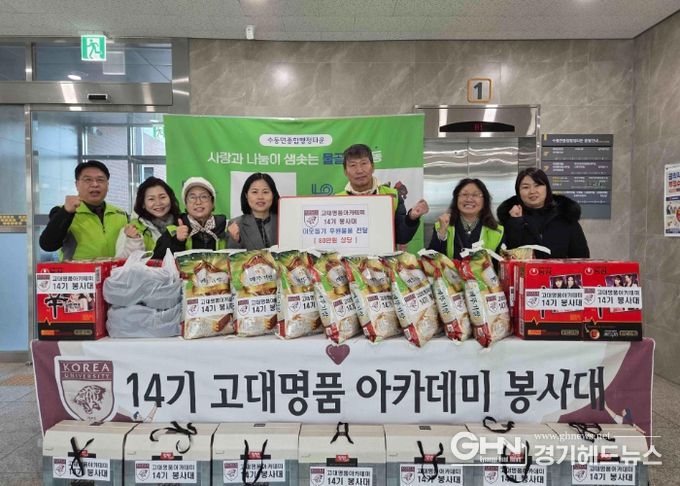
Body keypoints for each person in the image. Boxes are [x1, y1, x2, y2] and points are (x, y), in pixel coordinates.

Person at [337, 144, 429, 245]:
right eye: (353, 165)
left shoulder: (392, 196)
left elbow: (401, 238)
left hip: (383, 256)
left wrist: (411, 218)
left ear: (373, 167)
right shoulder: (336, 201)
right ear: (345, 171)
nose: (359, 170)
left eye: (363, 163)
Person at [39, 160, 128, 261]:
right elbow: (48, 245)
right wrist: (66, 212)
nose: (95, 184)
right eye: (88, 180)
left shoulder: (121, 214)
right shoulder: (62, 211)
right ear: (77, 184)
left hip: (116, 270)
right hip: (79, 270)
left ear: (107, 185)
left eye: (100, 180)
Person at [497, 167, 589, 259]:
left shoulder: (565, 214)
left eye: (537, 185)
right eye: (525, 187)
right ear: (518, 192)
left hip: (560, 269)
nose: (532, 191)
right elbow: (504, 257)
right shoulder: (509, 218)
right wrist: (515, 223)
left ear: (547, 188)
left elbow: (581, 258)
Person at [427, 178, 504, 260]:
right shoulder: (442, 225)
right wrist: (442, 233)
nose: (469, 199)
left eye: (475, 195)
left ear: (485, 200)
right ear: (456, 199)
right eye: (464, 194)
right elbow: (431, 260)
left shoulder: (497, 231)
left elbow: (500, 263)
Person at [152, 177, 227, 258]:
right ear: (186, 204)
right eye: (192, 197)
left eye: (204, 197)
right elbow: (156, 259)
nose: (198, 202)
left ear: (212, 203)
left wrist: (235, 241)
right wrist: (177, 241)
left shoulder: (225, 229)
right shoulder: (173, 229)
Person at [115, 177, 181, 258]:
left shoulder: (182, 223)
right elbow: (121, 261)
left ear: (170, 198)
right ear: (143, 204)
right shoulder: (132, 228)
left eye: (162, 197)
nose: (158, 203)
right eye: (151, 199)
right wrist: (133, 241)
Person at [227, 173, 279, 250]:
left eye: (265, 192)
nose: (260, 197)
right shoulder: (236, 224)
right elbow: (231, 255)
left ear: (273, 195)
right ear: (246, 195)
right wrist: (236, 240)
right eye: (255, 192)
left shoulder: (284, 222)